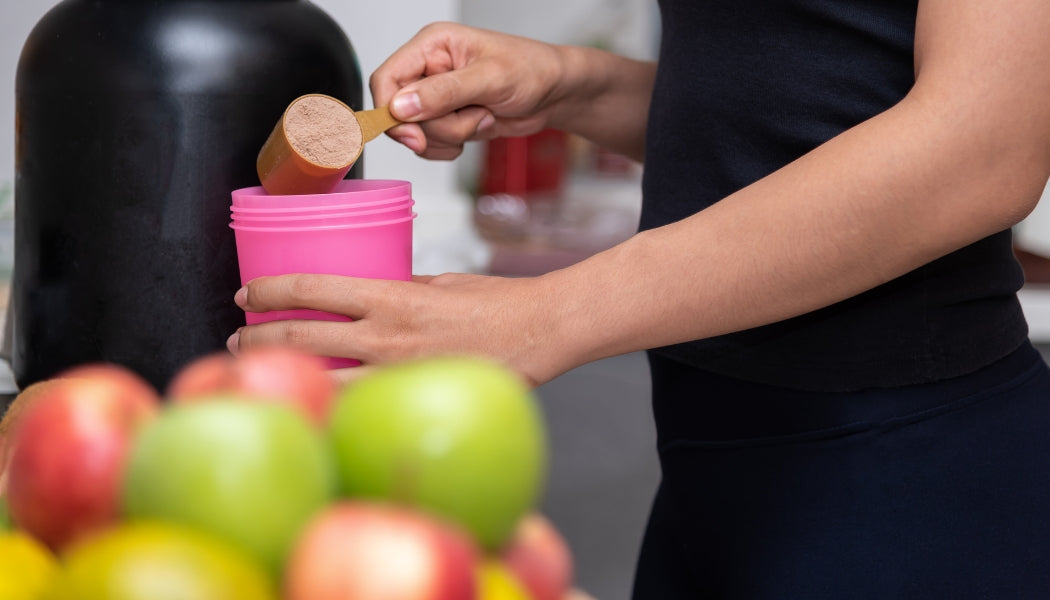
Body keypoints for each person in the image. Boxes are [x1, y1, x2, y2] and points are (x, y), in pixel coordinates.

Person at [227, 1, 1050, 597]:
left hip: (911, 476)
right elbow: (804, 97)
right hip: (711, 463)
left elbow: (983, 147)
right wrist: (572, 86)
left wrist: (540, 315)